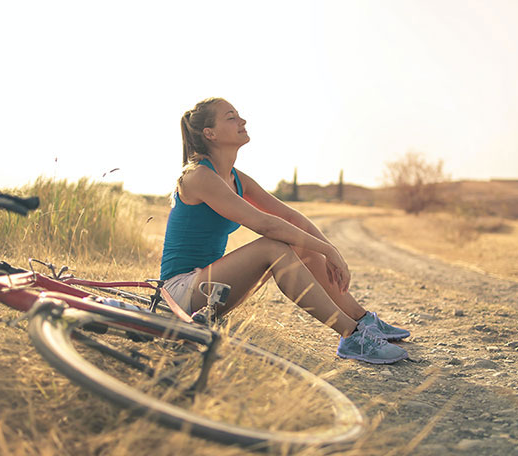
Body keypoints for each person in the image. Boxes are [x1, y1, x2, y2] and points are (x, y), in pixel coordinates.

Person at [159, 97, 410, 364]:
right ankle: (351, 335)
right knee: (273, 246)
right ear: (210, 133)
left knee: (301, 244)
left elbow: (288, 215)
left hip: (211, 291)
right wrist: (326, 249)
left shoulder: (235, 178)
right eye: (231, 117)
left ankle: (362, 321)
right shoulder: (198, 176)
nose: (242, 121)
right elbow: (265, 224)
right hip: (179, 293)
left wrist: (329, 250)